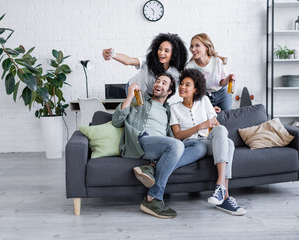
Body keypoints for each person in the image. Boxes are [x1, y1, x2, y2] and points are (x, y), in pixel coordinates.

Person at [112, 72, 206, 219]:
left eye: (164, 83)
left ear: (169, 92)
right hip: (141, 142)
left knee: (200, 147)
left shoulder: (169, 111)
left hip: (161, 146)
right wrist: (129, 96)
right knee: (176, 145)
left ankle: (153, 167)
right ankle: (153, 197)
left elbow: (175, 134)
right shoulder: (139, 101)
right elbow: (116, 121)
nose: (159, 84)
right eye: (158, 81)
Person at [169, 68, 246, 216]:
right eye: (182, 84)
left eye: (187, 85)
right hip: (191, 143)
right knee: (228, 144)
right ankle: (225, 195)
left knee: (223, 134)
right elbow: (178, 135)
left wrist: (216, 130)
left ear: (196, 89)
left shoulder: (204, 100)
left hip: (208, 141)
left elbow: (215, 124)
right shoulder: (174, 108)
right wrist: (201, 126)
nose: (182, 87)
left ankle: (220, 187)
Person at [102, 33, 188, 102]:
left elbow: (169, 91)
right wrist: (112, 55)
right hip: (134, 90)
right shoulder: (149, 60)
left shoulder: (176, 73)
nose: (161, 53)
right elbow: (128, 60)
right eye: (160, 49)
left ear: (174, 54)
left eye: (166, 51)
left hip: (153, 97)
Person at [185, 33, 235, 111]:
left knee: (226, 119)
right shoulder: (189, 67)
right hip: (203, 97)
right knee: (207, 120)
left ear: (206, 47)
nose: (193, 49)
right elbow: (190, 89)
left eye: (197, 45)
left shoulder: (217, 61)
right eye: (192, 46)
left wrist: (227, 79)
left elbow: (221, 83)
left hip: (222, 94)